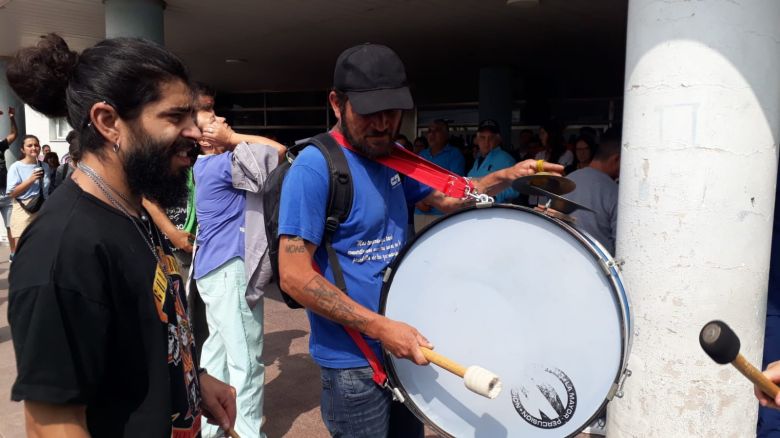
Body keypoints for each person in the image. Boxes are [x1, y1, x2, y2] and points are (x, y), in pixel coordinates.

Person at [277, 42, 562, 437]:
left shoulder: (393, 155)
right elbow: (293, 276)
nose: (382, 124)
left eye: (392, 112)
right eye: (369, 113)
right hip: (354, 365)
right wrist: (380, 328)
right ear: (336, 103)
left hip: (405, 351)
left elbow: (445, 197)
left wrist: (505, 176)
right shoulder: (314, 168)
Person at [6, 33, 236, 437]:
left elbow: (142, 341)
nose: (197, 133)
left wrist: (192, 380)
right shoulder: (63, 248)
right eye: (174, 117)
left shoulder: (132, 212)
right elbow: (53, 424)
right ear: (108, 122)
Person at [192, 88, 285, 438]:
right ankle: (248, 433)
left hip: (212, 271)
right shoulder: (219, 165)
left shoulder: (205, 166)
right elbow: (277, 152)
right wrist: (232, 138)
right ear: (203, 140)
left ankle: (213, 430)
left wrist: (228, 137)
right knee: (246, 361)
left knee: (216, 356)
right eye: (213, 122)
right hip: (231, 271)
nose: (222, 122)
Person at [565, 134, 621, 255]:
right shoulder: (614, 191)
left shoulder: (566, 182)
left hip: (565, 259)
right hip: (600, 267)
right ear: (616, 159)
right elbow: (621, 243)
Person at [413, 119, 466, 231]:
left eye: (437, 130)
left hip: (442, 213)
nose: (432, 134)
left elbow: (456, 185)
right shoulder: (422, 155)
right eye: (429, 131)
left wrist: (431, 199)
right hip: (420, 212)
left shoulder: (455, 155)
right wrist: (417, 201)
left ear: (447, 135)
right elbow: (413, 182)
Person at [6, 134, 51, 247]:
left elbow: (47, 190)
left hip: (42, 209)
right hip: (23, 209)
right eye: (29, 145)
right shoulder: (16, 167)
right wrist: (31, 180)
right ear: (23, 149)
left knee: (41, 245)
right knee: (21, 247)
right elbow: (12, 193)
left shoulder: (45, 166)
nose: (33, 148)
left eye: (36, 145)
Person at [467, 119, 518, 203]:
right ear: (477, 140)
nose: (486, 142)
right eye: (483, 137)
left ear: (498, 139)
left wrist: (491, 195)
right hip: (475, 211)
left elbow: (515, 189)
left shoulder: (505, 159)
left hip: (495, 212)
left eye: (491, 138)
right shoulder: (477, 160)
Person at [0, 107, 18, 258]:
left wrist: (11, 118)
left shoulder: (0, 145)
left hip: (5, 193)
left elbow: (14, 135)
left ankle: (13, 254)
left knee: (10, 226)